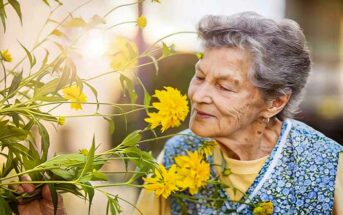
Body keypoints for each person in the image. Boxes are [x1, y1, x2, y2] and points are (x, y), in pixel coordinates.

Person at [136, 12, 343, 214]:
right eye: (199, 77)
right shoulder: (177, 153)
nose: (198, 96)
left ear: (275, 102)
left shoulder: (327, 165)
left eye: (224, 87)